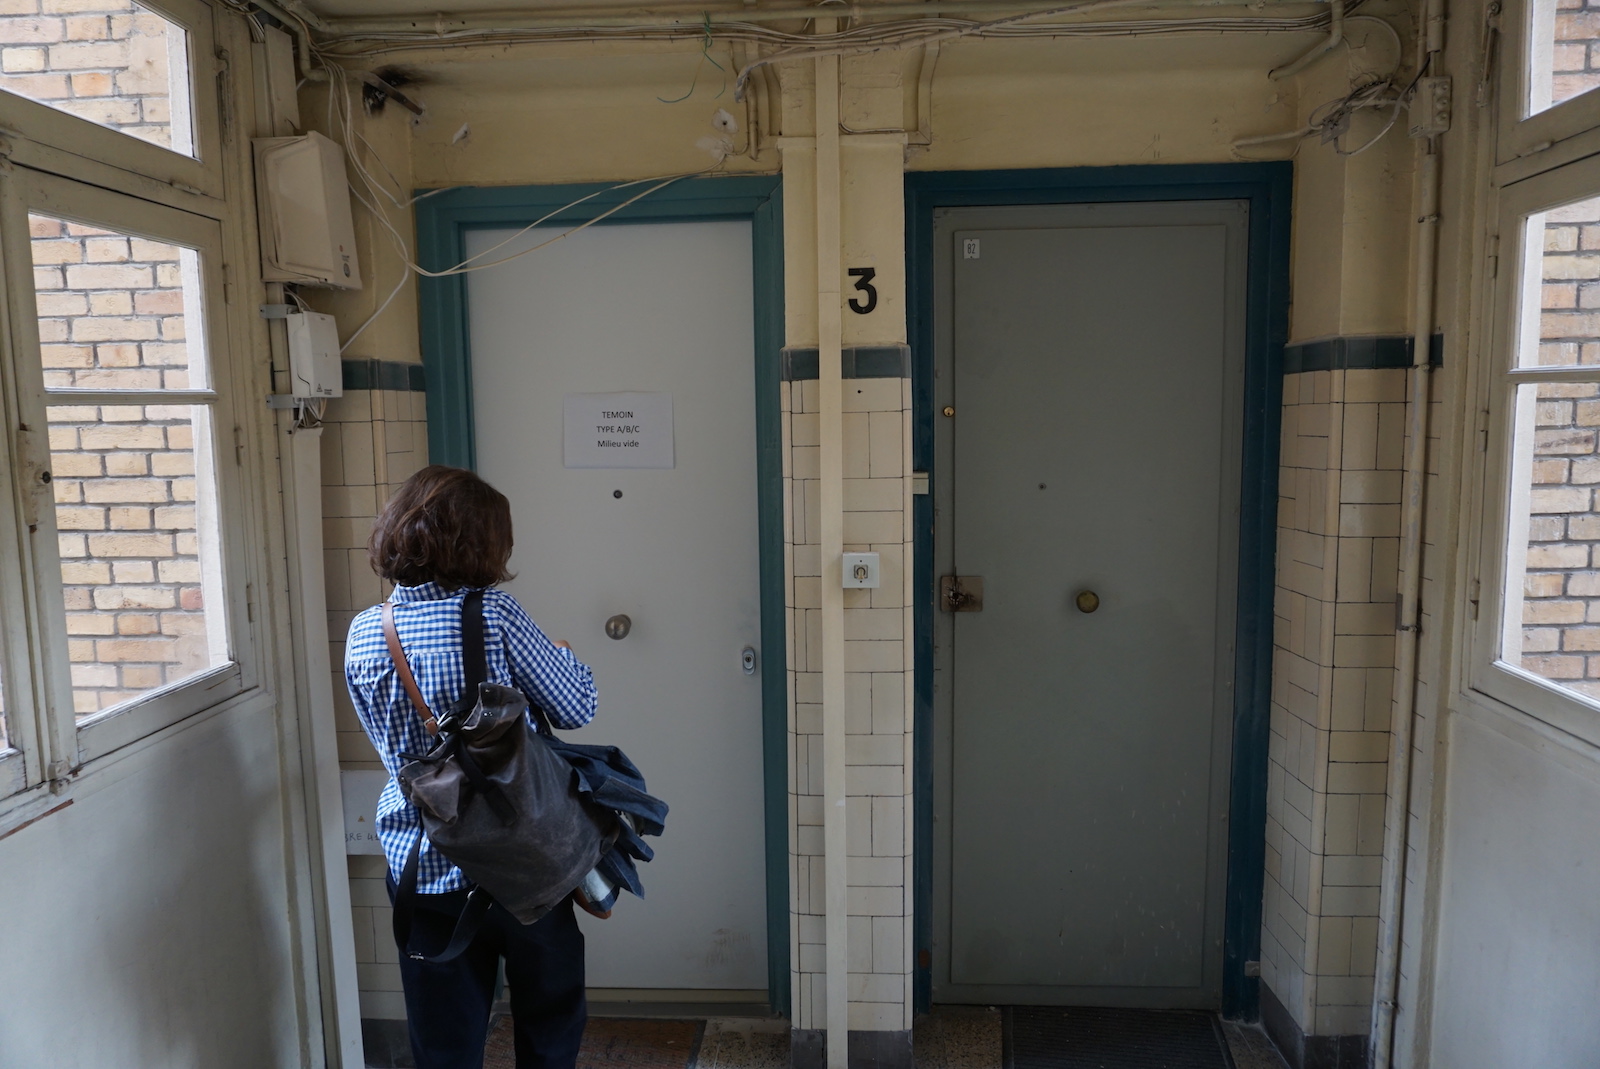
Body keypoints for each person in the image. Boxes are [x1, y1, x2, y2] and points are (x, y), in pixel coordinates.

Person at [344, 464, 598, 1069]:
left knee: (443, 1043)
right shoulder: (495, 614)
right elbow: (577, 705)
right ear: (481, 543)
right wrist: (564, 658)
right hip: (525, 859)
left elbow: (392, 747)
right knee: (550, 1020)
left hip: (423, 862)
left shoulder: (363, 632)